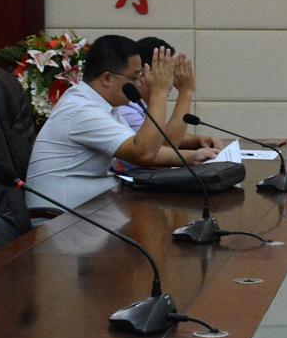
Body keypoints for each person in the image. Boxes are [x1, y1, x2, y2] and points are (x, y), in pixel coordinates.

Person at [26, 35, 217, 209]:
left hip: (88, 208)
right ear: (107, 78)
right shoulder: (82, 110)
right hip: (59, 221)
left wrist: (193, 157)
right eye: (135, 77)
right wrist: (159, 92)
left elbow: (148, 149)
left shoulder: (101, 106)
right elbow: (144, 154)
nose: (140, 83)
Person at [114, 37, 224, 170]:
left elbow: (161, 135)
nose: (172, 79)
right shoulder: (125, 109)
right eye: (167, 72)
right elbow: (161, 149)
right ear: (143, 73)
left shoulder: (142, 105)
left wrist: (198, 140)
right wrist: (186, 91)